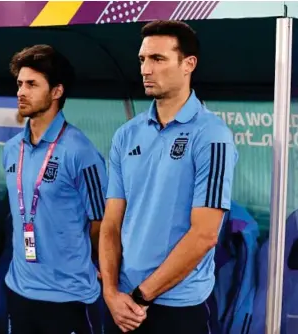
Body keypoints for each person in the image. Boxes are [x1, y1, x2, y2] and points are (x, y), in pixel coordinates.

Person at [99, 20, 238, 334]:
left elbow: (205, 234)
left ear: (188, 64)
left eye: (157, 59)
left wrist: (141, 296)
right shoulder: (126, 135)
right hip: (122, 304)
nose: (146, 69)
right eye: (142, 60)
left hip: (179, 308)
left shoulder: (212, 135)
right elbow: (111, 224)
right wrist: (110, 292)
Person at [3, 44, 108, 334]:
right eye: (20, 84)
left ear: (57, 92)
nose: (21, 92)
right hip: (20, 290)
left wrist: (79, 254)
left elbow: (103, 223)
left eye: (32, 85)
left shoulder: (80, 152)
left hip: (68, 298)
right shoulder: (12, 150)